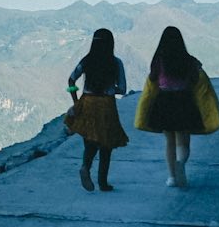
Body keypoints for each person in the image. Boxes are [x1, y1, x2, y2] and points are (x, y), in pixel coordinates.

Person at [136, 24, 206, 188]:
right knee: (183, 141)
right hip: (184, 100)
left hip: (164, 101)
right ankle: (181, 162)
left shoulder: (159, 60)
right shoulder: (189, 60)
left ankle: (172, 177)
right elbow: (196, 79)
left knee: (169, 142)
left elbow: (153, 78)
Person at [65, 27, 129, 191]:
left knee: (90, 141)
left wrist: (76, 101)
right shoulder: (116, 63)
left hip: (87, 103)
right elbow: (122, 89)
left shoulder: (86, 61)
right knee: (106, 144)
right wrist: (109, 89)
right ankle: (103, 182)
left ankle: (85, 167)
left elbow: (71, 81)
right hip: (106, 105)